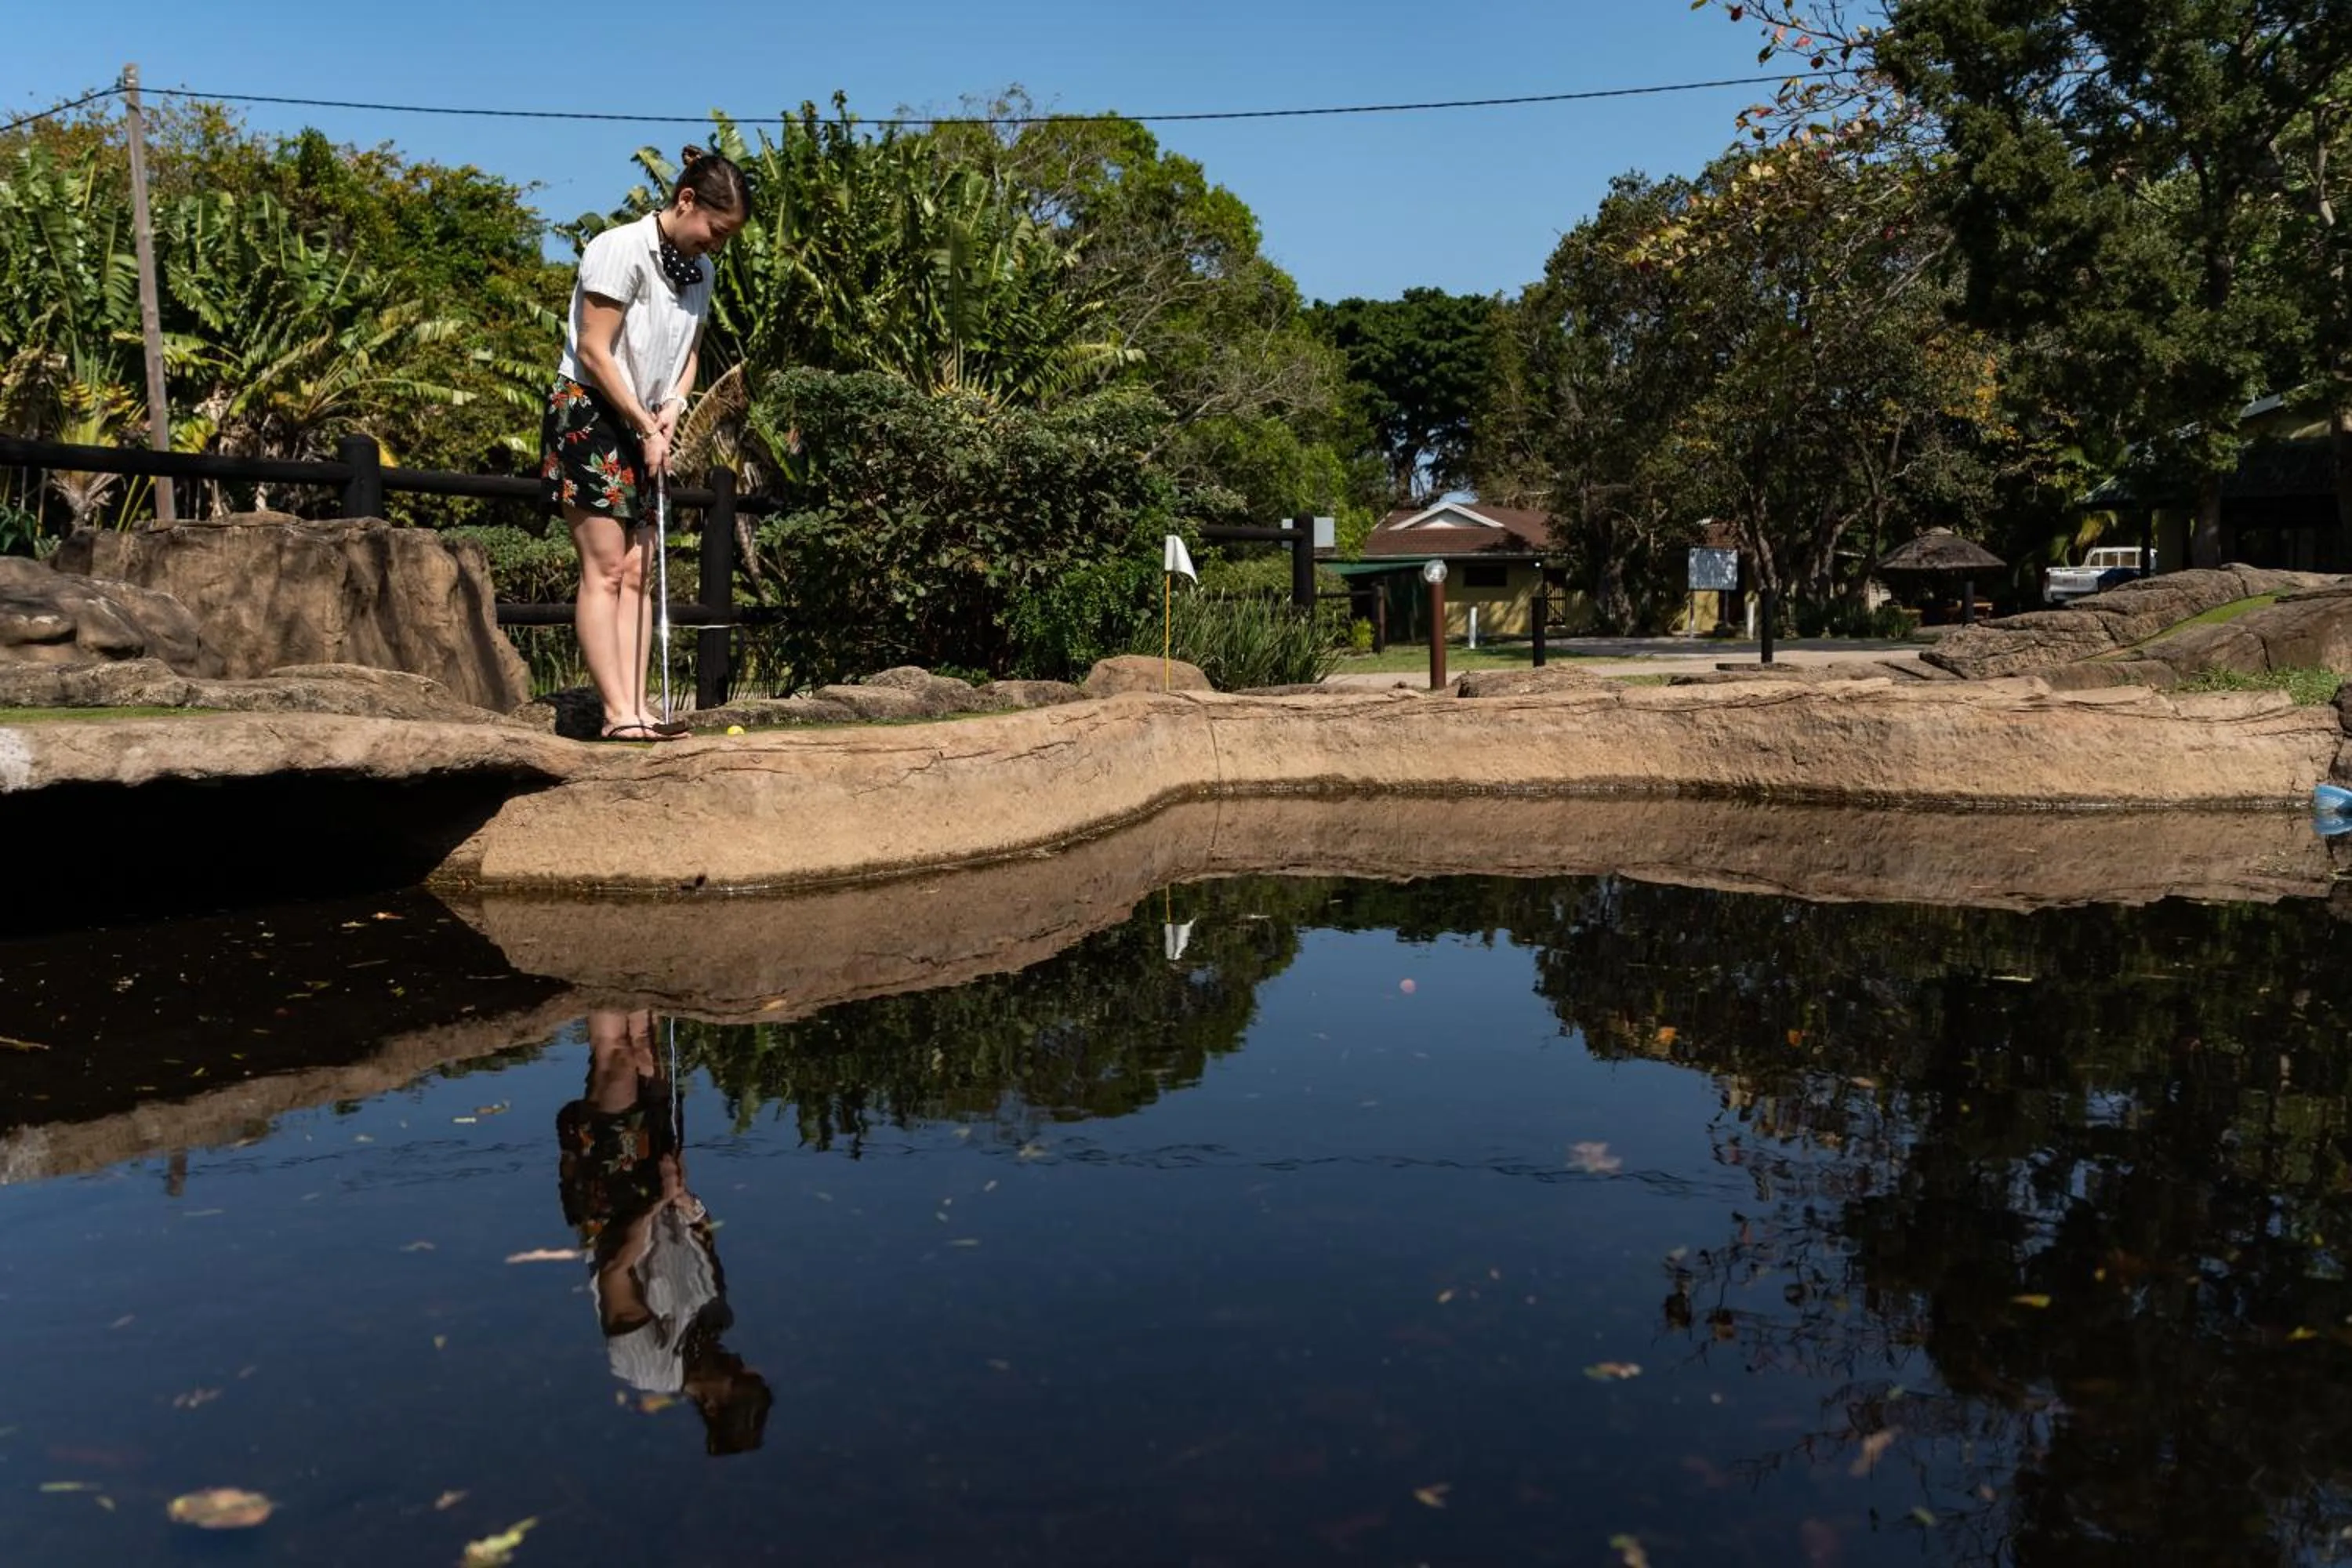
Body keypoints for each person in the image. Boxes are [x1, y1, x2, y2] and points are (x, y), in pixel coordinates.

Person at [539, 148, 748, 742]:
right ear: (687, 201)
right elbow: (594, 350)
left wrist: (673, 408)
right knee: (606, 568)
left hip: (649, 420)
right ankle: (616, 714)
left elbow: (688, 357)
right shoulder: (619, 249)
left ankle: (639, 708)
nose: (717, 245)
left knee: (639, 572)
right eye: (715, 230)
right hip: (592, 411)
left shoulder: (701, 272)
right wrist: (643, 424)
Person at [556, 1008, 773, 1456]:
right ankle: (635, 977)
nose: (739, 1360)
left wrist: (657, 1202)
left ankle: (607, 977)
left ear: (711, 1403)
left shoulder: (647, 1368)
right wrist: (685, 1199)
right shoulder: (716, 1319)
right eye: (746, 1369)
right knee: (644, 1047)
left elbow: (616, 1273)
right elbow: (703, 1238)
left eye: (736, 1376)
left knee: (616, 1064)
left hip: (614, 1206)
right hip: (664, 1184)